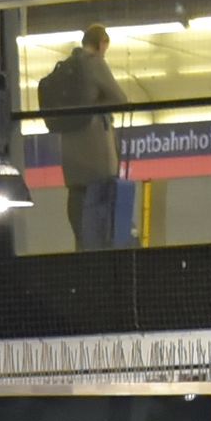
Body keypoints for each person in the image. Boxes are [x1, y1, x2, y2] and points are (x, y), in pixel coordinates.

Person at [38, 22, 130, 251]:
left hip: (72, 164)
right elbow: (121, 99)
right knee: (104, 235)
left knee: (81, 235)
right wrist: (98, 104)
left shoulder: (66, 67)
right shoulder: (94, 63)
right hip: (98, 160)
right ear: (101, 44)